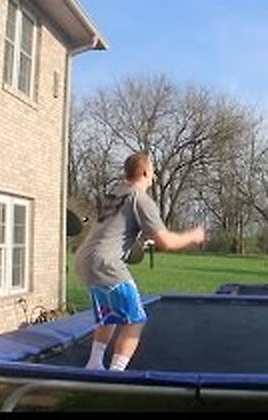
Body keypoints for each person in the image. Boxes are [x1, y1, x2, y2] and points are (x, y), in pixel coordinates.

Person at [75, 152, 206, 371]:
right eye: (153, 171)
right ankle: (116, 374)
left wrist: (136, 240)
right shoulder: (140, 198)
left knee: (110, 314)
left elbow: (115, 230)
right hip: (106, 262)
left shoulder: (114, 194)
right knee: (135, 320)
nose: (154, 176)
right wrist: (193, 236)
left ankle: (94, 364)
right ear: (145, 171)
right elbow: (166, 242)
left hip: (85, 259)